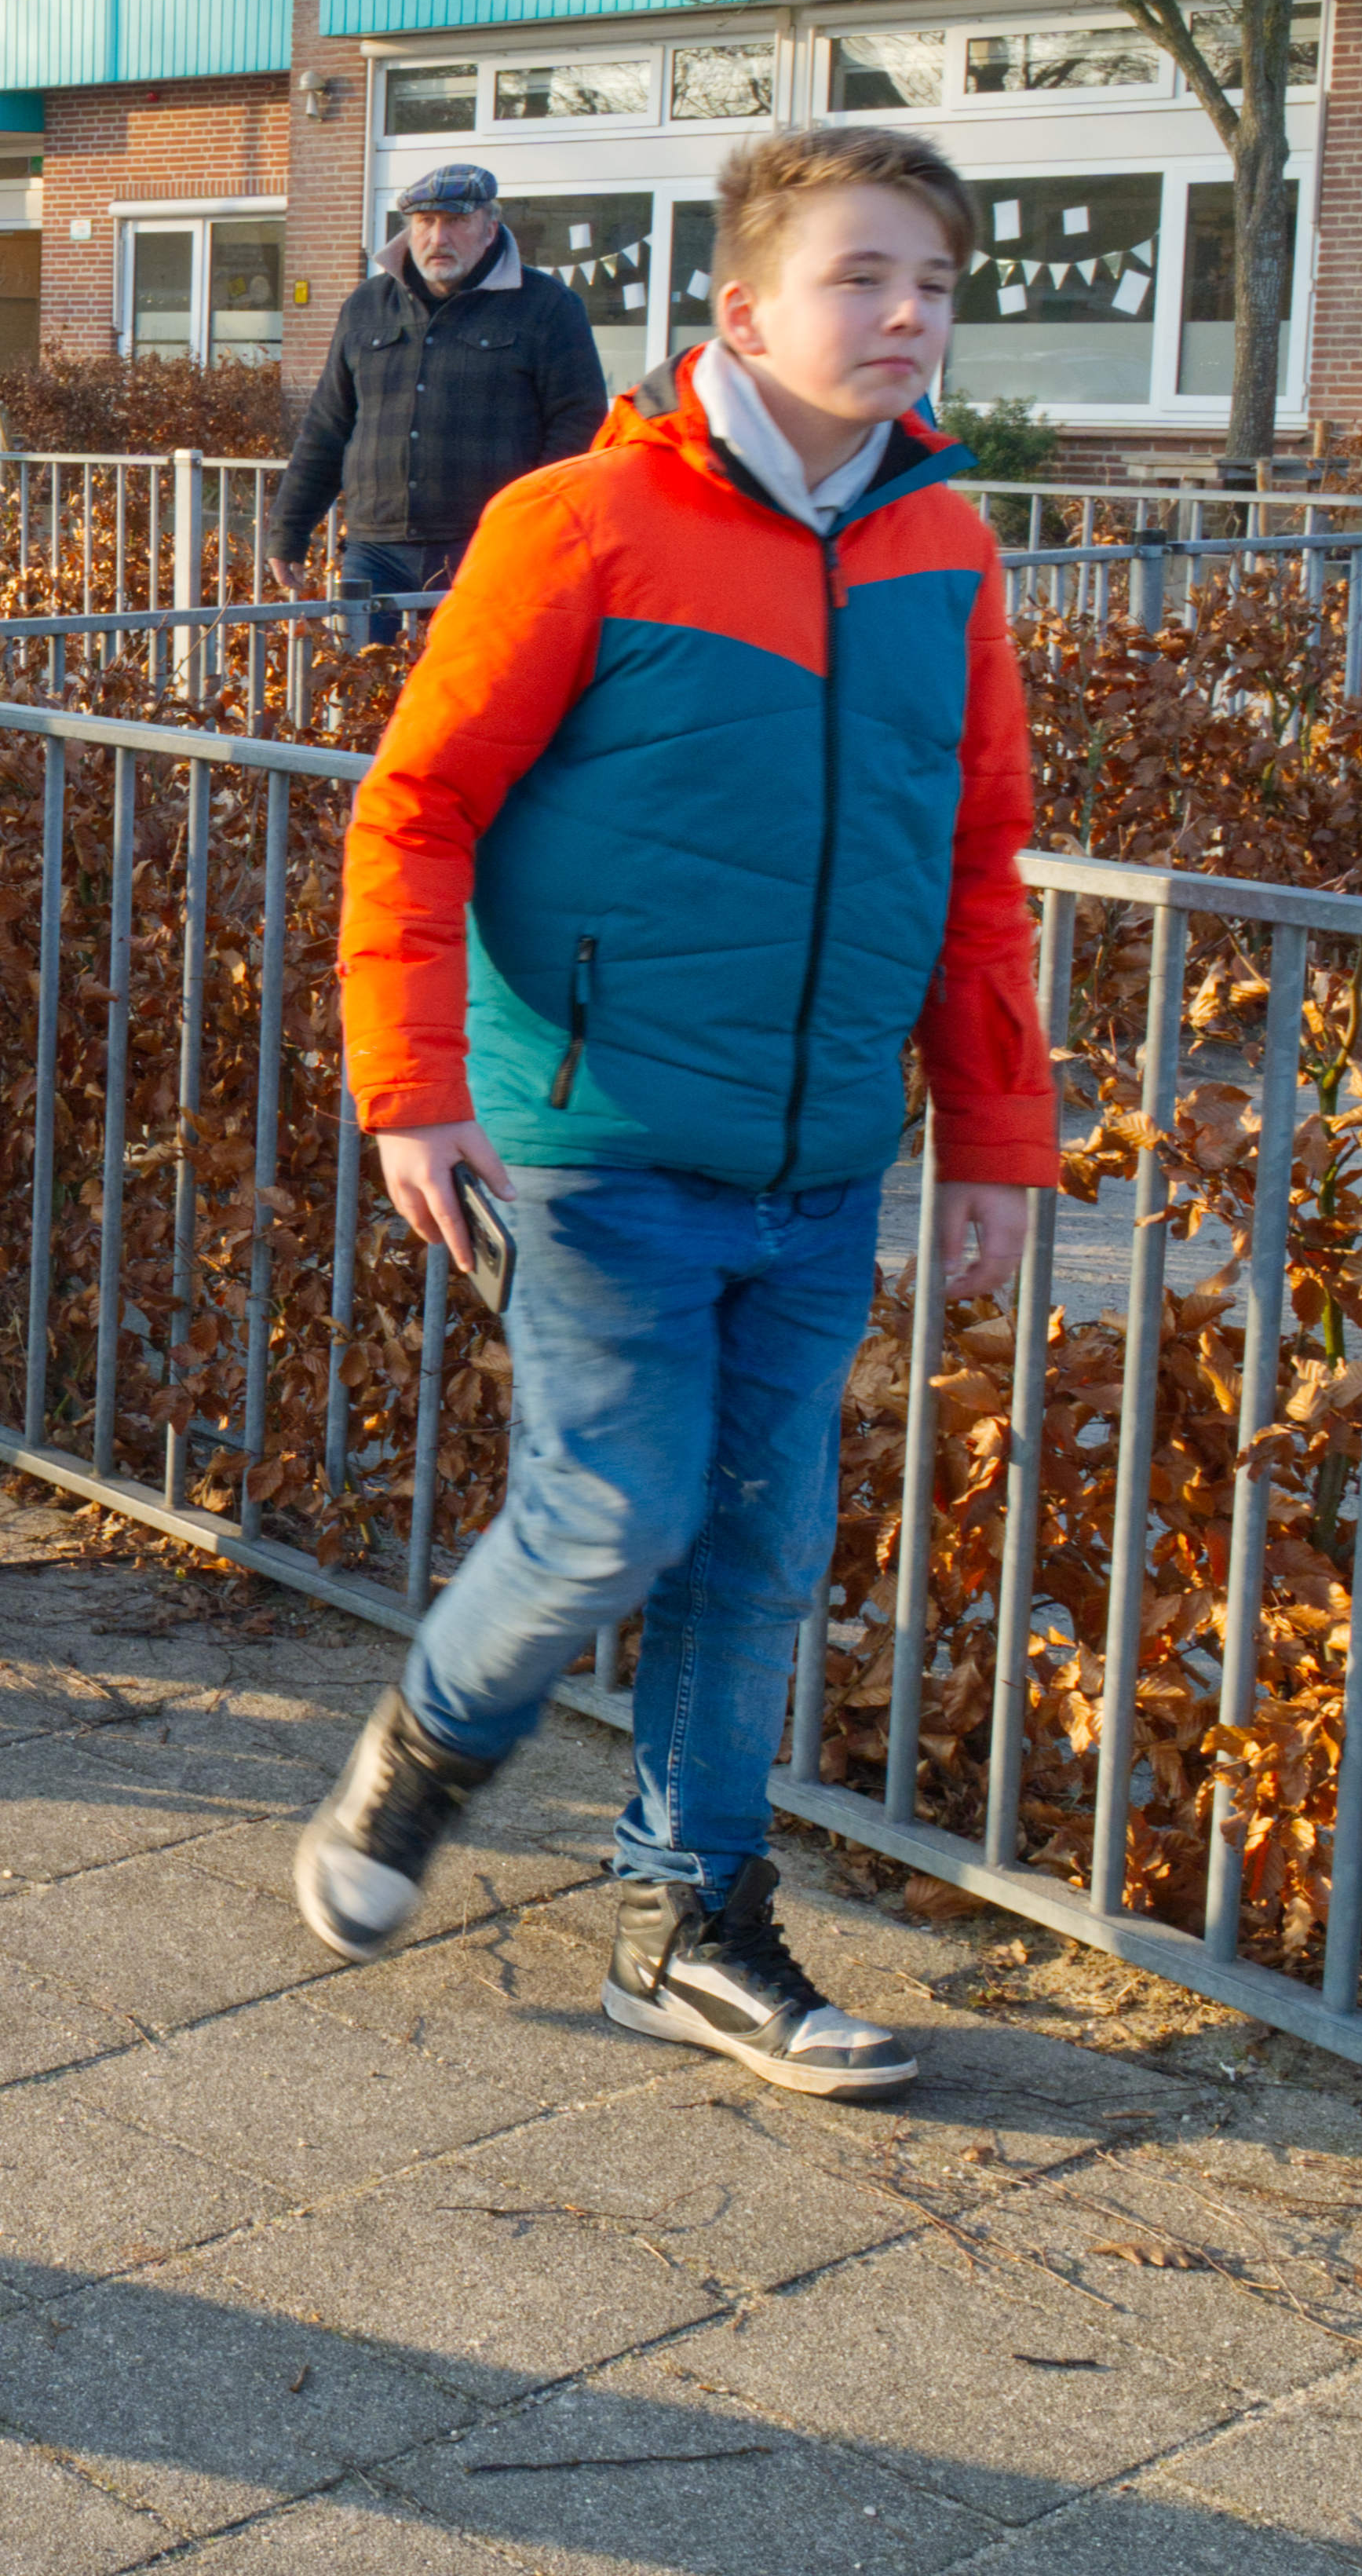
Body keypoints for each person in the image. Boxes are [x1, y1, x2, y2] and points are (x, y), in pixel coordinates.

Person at [292, 122, 1046, 2100]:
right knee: (611, 1507)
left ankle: (686, 1929)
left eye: (937, 286)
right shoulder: (585, 522)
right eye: (863, 278)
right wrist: (413, 1090)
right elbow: (419, 805)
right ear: (744, 310)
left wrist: (996, 1136)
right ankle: (429, 1745)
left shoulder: (945, 544)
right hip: (598, 1130)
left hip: (819, 1158)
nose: (907, 318)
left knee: (759, 1549)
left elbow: (973, 858)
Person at [272, 160, 612, 647]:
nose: (438, 237)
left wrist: (530, 528)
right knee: (366, 693)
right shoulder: (366, 305)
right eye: (425, 223)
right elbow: (328, 425)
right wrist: (290, 528)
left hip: (486, 544)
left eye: (456, 221)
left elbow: (577, 427)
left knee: (471, 695)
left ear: (490, 228)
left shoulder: (548, 307)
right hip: (375, 548)